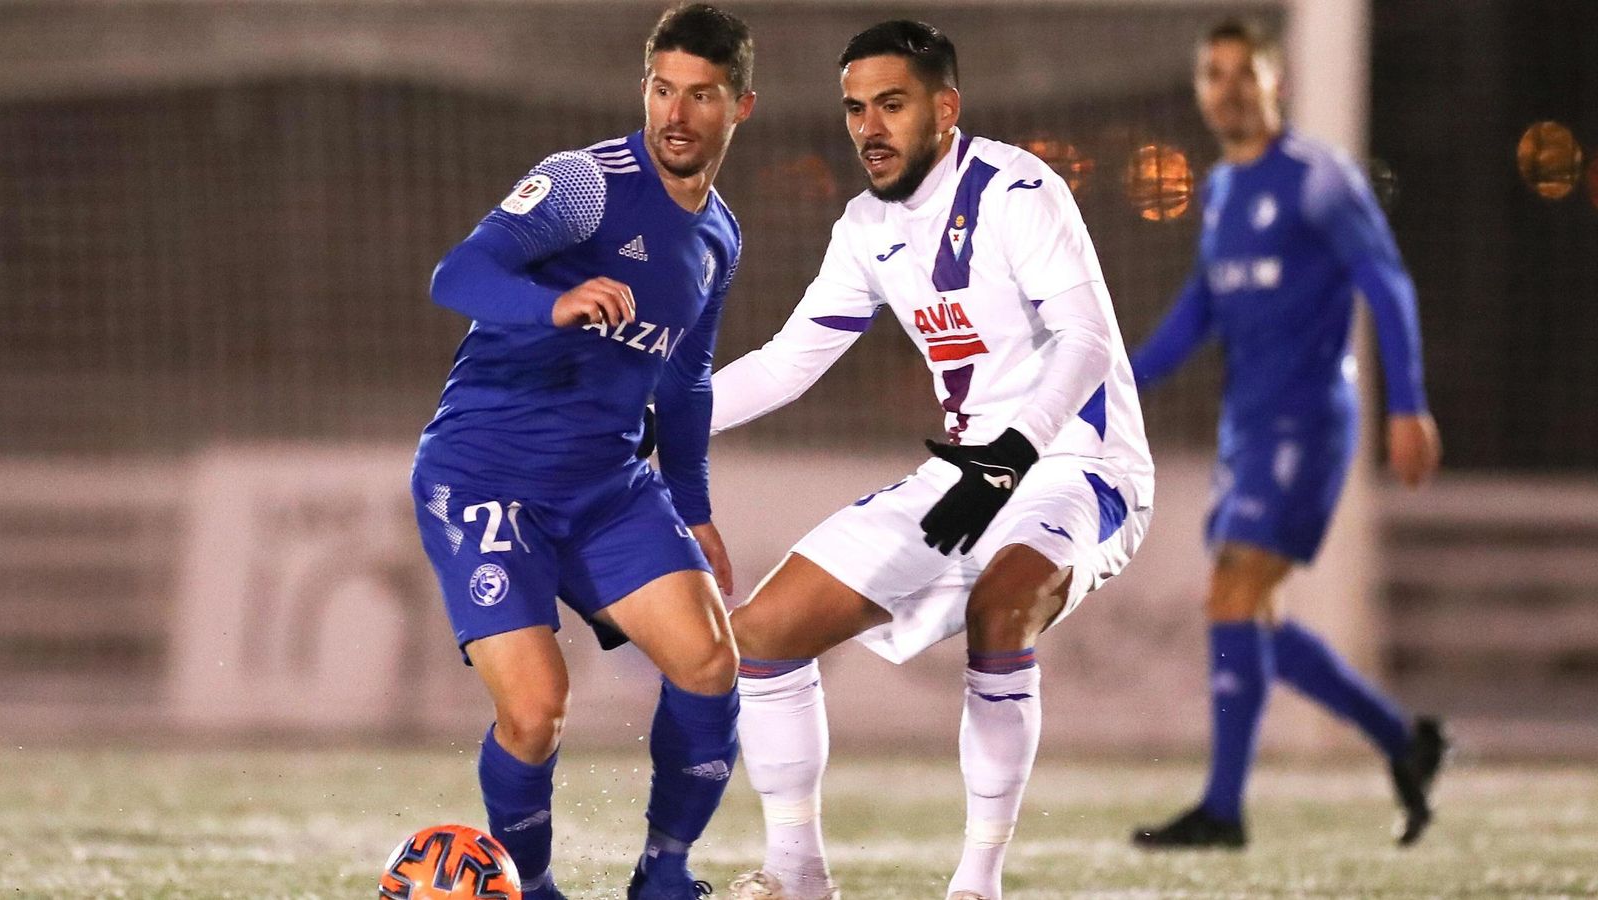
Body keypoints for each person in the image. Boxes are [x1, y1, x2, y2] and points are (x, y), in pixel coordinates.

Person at [711, 21, 1155, 900]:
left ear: (945, 108)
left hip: (1078, 462)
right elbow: (789, 361)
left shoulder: (1020, 189)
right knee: (761, 636)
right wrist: (662, 423)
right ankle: (797, 874)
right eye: (853, 109)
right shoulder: (866, 226)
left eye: (891, 104)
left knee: (1003, 608)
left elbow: (1086, 341)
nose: (868, 128)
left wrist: (1012, 453)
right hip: (966, 473)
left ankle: (976, 882)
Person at [410, 5, 755, 897]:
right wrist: (549, 304)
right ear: (645, 88)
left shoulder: (721, 236)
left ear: (739, 108)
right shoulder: (583, 182)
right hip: (485, 476)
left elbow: (685, 382)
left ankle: (664, 877)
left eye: (700, 96)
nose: (675, 114)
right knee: (534, 711)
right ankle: (530, 887)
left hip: (607, 486)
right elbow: (458, 274)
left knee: (712, 664)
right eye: (661, 89)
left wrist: (696, 505)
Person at [1129, 20, 1447, 850]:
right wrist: (1114, 385)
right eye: (1215, 74)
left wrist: (1408, 405)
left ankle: (1224, 811)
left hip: (1308, 420)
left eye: (1245, 73)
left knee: (1232, 594)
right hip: (1249, 425)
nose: (1229, 88)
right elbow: (1201, 307)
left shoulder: (1319, 179)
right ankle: (1403, 739)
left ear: (1276, 85)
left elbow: (1386, 281)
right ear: (1201, 90)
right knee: (1249, 615)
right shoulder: (1222, 191)